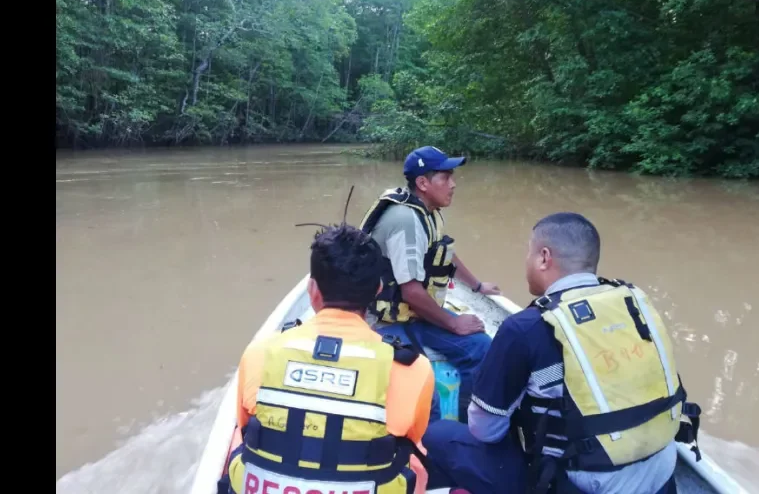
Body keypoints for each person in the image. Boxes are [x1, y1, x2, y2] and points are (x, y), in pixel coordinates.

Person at [422, 212, 703, 494]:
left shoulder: (526, 328)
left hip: (582, 485)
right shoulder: (634, 305)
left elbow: (485, 430)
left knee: (439, 434)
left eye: (528, 253)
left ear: (544, 257)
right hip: (662, 476)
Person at [217, 223, 436, 494]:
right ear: (377, 289)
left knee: (240, 434)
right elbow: (409, 438)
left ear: (313, 290)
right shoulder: (413, 368)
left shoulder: (260, 352)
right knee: (416, 455)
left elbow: (247, 425)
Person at [359, 145, 501, 424]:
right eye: (445, 177)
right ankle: (430, 441)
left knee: (481, 348)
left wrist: (477, 286)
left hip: (414, 315)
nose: (453, 184)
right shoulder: (406, 220)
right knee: (423, 382)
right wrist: (453, 323)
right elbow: (412, 292)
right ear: (423, 183)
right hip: (386, 321)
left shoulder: (430, 212)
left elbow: (444, 253)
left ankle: (467, 428)